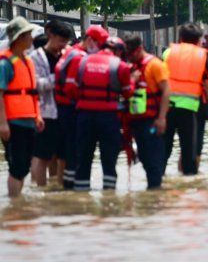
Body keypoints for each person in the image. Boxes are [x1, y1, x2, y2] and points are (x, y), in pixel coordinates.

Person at [71, 35, 133, 190]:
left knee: (83, 160)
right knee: (109, 160)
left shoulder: (83, 61)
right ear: (118, 51)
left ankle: (81, 198)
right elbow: (128, 94)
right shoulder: (120, 66)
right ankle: (109, 197)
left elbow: (73, 88)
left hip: (84, 117)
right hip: (108, 118)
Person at [55, 24, 109, 189]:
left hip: (64, 107)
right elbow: (71, 87)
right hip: (70, 110)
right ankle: (71, 188)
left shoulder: (72, 52)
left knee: (70, 152)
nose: (100, 49)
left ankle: (66, 186)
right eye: (100, 44)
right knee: (74, 152)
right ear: (90, 40)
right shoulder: (79, 57)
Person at [0, 17, 45, 196]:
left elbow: (32, 94)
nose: (31, 39)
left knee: (24, 165)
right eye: (28, 35)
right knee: (17, 166)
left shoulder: (27, 61)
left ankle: (17, 206)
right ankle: (14, 205)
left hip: (29, 121)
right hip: (12, 123)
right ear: (18, 38)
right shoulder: (5, 64)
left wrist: (38, 116)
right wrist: (2, 123)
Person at [163, 23, 208, 175]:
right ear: (199, 39)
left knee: (164, 149)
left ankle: (158, 186)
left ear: (180, 38)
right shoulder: (202, 55)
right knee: (189, 152)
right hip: (190, 109)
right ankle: (189, 188)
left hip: (166, 109)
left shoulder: (168, 53)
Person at [124, 34, 171, 189]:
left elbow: (166, 91)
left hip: (153, 120)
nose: (129, 58)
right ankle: (153, 191)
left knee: (153, 159)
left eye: (130, 54)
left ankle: (156, 192)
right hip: (137, 121)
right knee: (143, 157)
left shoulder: (155, 65)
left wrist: (162, 118)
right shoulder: (133, 68)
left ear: (139, 49)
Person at [30, 20, 73, 186]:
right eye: (60, 40)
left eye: (65, 42)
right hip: (45, 113)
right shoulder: (36, 57)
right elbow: (36, 84)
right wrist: (58, 78)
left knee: (64, 155)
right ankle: (39, 190)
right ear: (50, 35)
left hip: (66, 111)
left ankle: (59, 188)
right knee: (42, 155)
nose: (62, 45)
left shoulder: (68, 54)